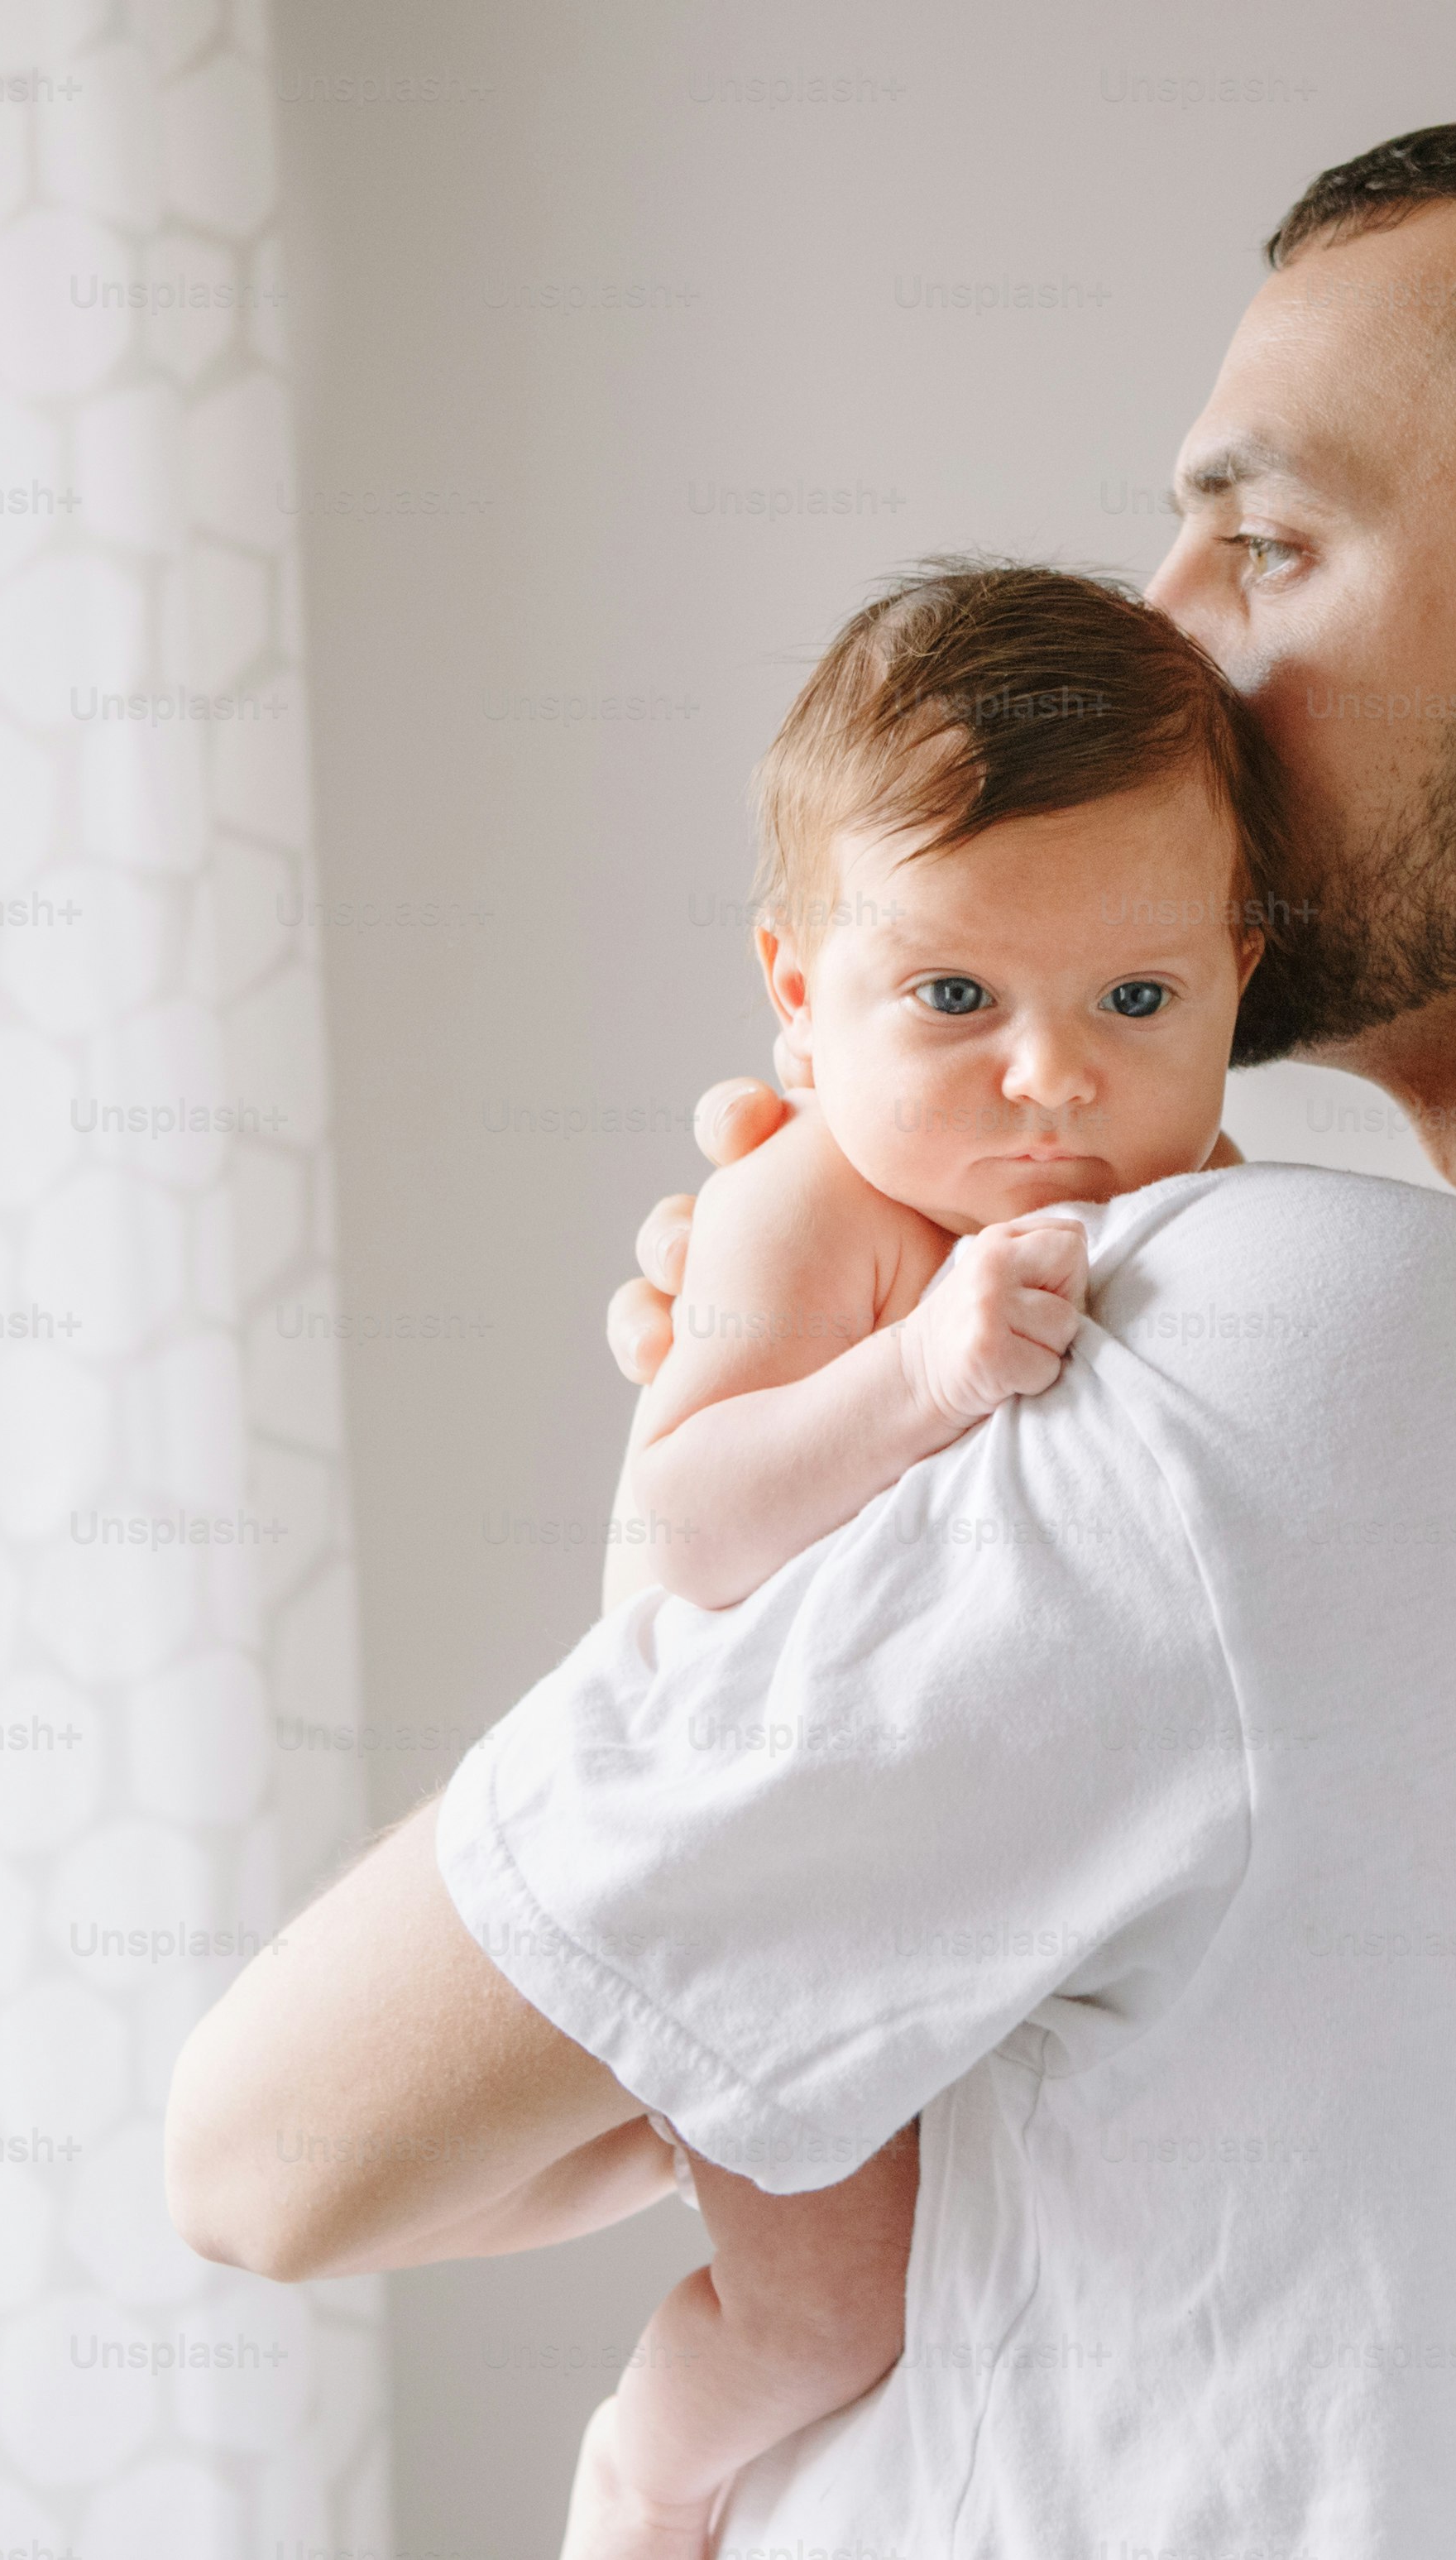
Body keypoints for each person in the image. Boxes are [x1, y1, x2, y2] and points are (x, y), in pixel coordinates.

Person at [169, 97, 1456, 2557]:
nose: (1161, 631)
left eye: (1267, 534)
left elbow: (274, 2143)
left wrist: (780, 1460)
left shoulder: (1260, 1363)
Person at [561, 559, 1288, 2555]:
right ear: (801, 997)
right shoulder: (816, 1209)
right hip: (764, 1888)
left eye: (1132, 1002)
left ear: (1236, 968)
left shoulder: (1202, 1201)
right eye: (951, 999)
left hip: (995, 1882)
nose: (1046, 1079)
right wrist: (916, 1373)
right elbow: (686, 1512)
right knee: (824, 2316)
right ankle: (644, 2473)